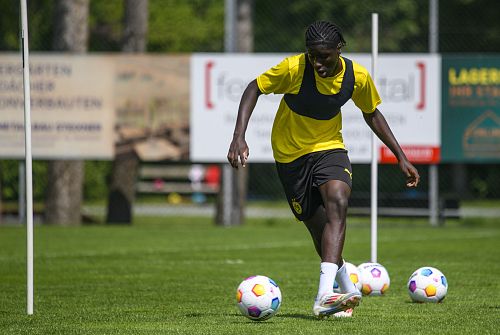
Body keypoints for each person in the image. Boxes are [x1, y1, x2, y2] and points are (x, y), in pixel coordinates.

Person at [227, 20, 420, 318]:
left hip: (329, 148)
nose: (317, 63)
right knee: (321, 234)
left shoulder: (357, 76)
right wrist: (239, 135)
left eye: (324, 56)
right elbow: (254, 88)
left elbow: (372, 113)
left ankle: (324, 296)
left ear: (339, 50)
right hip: (291, 157)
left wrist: (401, 156)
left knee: (338, 204)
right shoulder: (293, 69)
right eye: (313, 55)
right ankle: (345, 290)